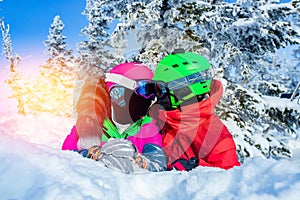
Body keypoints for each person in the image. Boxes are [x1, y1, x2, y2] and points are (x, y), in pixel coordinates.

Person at [62, 62, 166, 173]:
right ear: (117, 93)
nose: (152, 98)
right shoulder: (89, 124)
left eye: (155, 91)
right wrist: (92, 155)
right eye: (145, 89)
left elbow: (158, 162)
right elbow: (64, 160)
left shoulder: (147, 127)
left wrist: (139, 162)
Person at [149, 51, 241, 171]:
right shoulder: (160, 118)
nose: (157, 95)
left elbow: (229, 173)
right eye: (156, 88)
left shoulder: (213, 132)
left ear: (182, 91)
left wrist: (194, 167)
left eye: (161, 88)